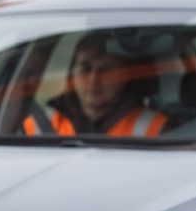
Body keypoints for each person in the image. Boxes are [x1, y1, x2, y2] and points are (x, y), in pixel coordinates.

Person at [29, 32, 169, 137]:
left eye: (106, 71)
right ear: (72, 76)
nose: (93, 80)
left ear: (124, 78)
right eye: (85, 69)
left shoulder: (155, 127)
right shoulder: (36, 123)